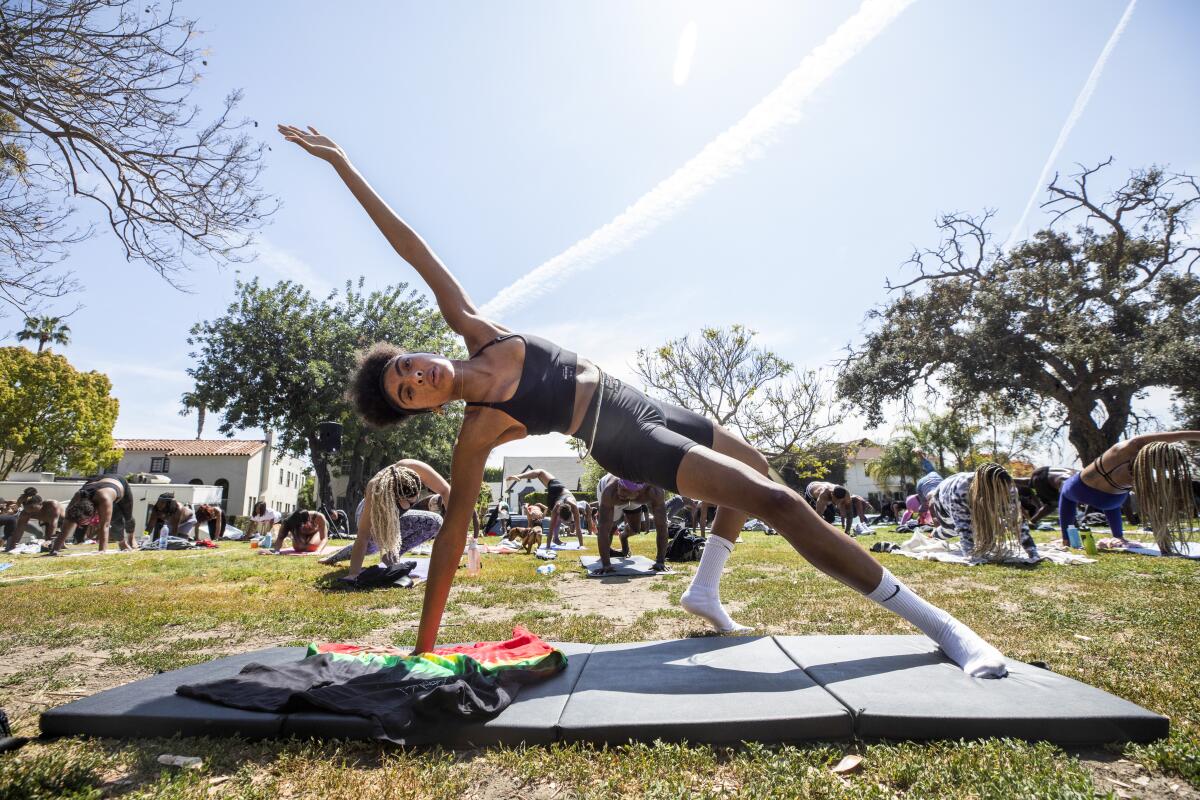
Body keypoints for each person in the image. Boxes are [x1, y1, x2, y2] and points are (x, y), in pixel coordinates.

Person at [280, 123, 1010, 677]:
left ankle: (705, 590)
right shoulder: (474, 435)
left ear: (423, 352)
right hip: (624, 437)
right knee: (780, 503)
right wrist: (425, 649)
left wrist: (345, 165)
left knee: (757, 463)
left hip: (644, 398)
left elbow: (411, 247)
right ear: (421, 410)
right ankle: (941, 627)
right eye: (407, 393)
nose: (418, 378)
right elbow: (449, 537)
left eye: (409, 366)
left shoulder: (477, 330)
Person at [321, 459, 469, 578]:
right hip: (371, 511)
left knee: (435, 522)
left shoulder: (414, 468)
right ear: (395, 498)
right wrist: (354, 573)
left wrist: (455, 528)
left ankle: (392, 555)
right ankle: (335, 557)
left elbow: (446, 490)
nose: (413, 505)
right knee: (372, 543)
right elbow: (363, 536)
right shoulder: (375, 489)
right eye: (410, 503)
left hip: (395, 512)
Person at [1059, 433, 1200, 554]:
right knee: (1106, 506)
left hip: (1092, 494)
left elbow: (1180, 435)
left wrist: (1196, 434)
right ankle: (1112, 536)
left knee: (1072, 498)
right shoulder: (1130, 458)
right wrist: (1164, 547)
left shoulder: (1131, 455)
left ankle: (1070, 538)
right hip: (1096, 495)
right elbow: (1153, 509)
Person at [933, 464, 1039, 560]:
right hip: (943, 496)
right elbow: (964, 527)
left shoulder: (1008, 488)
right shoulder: (961, 490)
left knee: (988, 524)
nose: (1001, 495)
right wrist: (971, 555)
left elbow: (1016, 521)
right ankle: (935, 535)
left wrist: (1032, 551)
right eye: (997, 491)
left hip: (975, 496)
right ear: (987, 488)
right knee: (951, 530)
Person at [595, 474, 669, 571]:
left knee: (636, 529)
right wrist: (606, 565)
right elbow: (603, 528)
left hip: (634, 497)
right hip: (607, 490)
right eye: (620, 487)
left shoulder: (655, 492)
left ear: (639, 492)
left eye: (624, 490)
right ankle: (607, 553)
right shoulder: (611, 491)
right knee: (610, 527)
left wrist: (660, 561)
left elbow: (662, 526)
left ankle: (623, 537)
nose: (620, 492)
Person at [506, 468, 584, 547]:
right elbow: (578, 529)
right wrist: (581, 545)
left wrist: (548, 547)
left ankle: (519, 476)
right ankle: (556, 539)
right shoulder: (572, 507)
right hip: (556, 494)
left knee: (540, 472)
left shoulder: (560, 507)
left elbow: (551, 529)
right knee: (556, 522)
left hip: (557, 489)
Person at [58, 475, 136, 553]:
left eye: (85, 522)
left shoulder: (104, 498)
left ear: (93, 513)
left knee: (127, 517)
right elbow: (67, 522)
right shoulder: (77, 498)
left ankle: (131, 539)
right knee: (115, 519)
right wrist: (56, 548)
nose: (83, 525)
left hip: (119, 482)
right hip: (95, 482)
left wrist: (102, 550)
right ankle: (122, 542)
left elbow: (105, 526)